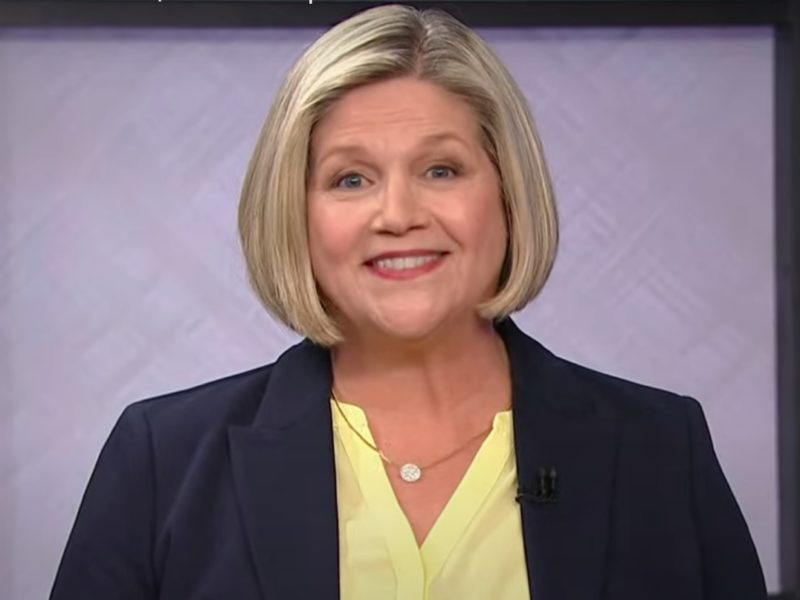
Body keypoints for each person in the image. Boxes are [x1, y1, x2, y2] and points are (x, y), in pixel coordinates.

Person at [50, 4, 767, 599]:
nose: (398, 213)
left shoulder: (660, 449)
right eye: (350, 180)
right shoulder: (162, 460)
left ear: (508, 195)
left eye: (441, 169)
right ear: (295, 214)